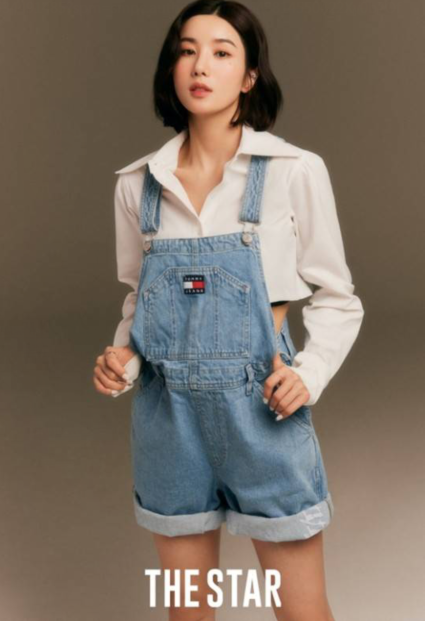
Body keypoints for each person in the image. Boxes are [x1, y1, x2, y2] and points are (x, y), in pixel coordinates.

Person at [93, 1, 364, 619]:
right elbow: (140, 299)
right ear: (171, 68)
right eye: (187, 51)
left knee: (302, 612)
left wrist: (310, 374)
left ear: (249, 76)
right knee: (188, 613)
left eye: (221, 52)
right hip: (168, 420)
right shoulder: (138, 184)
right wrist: (123, 362)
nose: (200, 66)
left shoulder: (293, 171)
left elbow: (338, 296)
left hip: (263, 412)